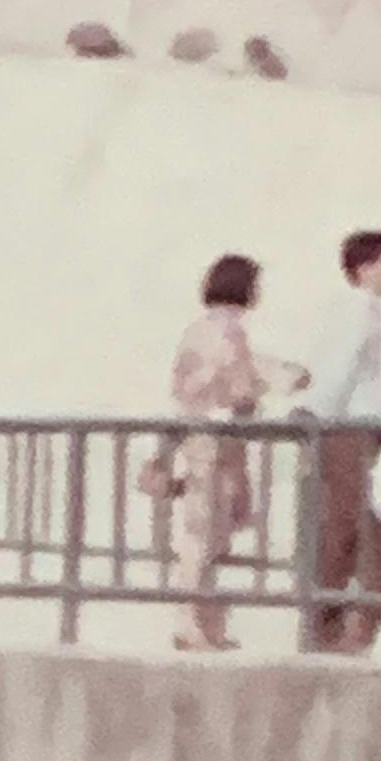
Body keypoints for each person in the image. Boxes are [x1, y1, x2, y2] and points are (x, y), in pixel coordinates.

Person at [158, 252, 303, 654]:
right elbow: (240, 388)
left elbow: (186, 388)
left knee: (201, 531)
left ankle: (202, 623)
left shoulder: (197, 330)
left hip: (196, 437)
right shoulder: (232, 331)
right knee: (207, 535)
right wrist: (275, 383)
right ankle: (193, 623)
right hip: (221, 442)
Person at [300, 226, 381, 655]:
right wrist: (316, 414)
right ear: (364, 268)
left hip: (360, 429)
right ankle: (343, 631)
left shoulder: (367, 310)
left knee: (353, 529)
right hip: (353, 431)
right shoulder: (361, 311)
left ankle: (337, 628)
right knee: (361, 530)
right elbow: (340, 369)